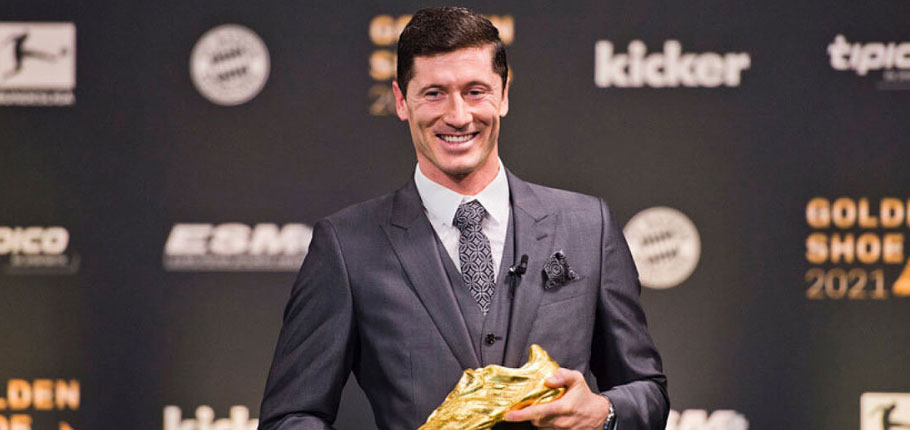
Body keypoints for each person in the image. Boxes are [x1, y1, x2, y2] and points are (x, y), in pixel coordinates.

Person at [259, 6, 668, 430]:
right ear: (401, 101)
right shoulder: (347, 247)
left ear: (503, 94)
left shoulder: (588, 225)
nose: (457, 116)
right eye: (434, 93)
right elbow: (290, 417)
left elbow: (649, 392)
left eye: (475, 91)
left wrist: (603, 412)